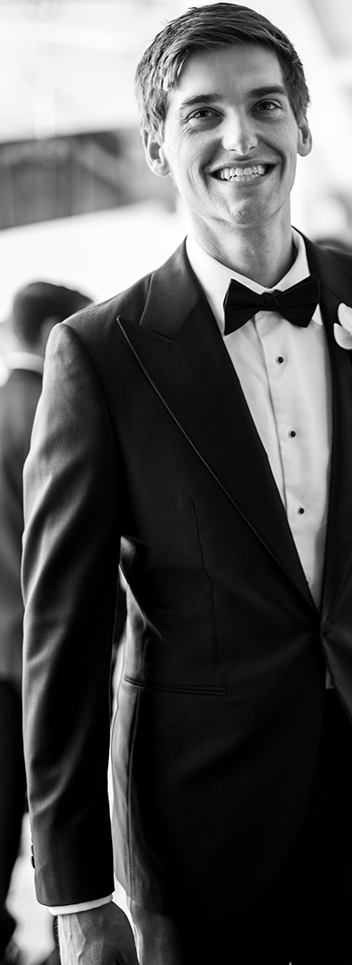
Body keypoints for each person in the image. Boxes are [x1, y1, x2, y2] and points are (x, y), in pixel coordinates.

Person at [21, 2, 352, 965]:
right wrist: (75, 892)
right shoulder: (98, 353)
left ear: (304, 126)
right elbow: (65, 638)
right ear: (160, 146)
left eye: (265, 105)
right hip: (201, 815)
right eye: (201, 114)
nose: (240, 137)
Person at [0, 282, 90, 965]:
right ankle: (66, 942)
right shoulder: (58, 407)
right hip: (51, 649)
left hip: (5, 650)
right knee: (72, 809)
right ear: (58, 328)